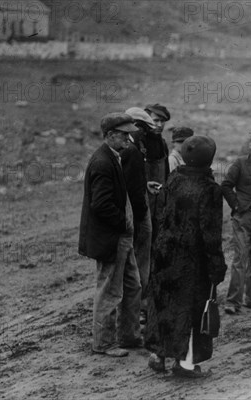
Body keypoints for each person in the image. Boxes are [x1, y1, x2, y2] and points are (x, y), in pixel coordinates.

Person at [144, 135, 227, 377]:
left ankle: (158, 354)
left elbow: (163, 213)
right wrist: (217, 266)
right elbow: (211, 234)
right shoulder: (210, 190)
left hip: (164, 253)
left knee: (163, 304)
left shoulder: (174, 178)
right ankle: (184, 364)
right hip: (193, 261)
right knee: (190, 311)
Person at [78, 112, 143, 357]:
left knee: (133, 286)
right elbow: (101, 204)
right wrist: (124, 223)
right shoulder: (103, 162)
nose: (128, 137)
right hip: (112, 238)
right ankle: (103, 343)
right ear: (109, 136)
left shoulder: (113, 156)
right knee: (109, 291)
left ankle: (129, 336)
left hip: (120, 237)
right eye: (124, 134)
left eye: (129, 133)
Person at [222, 130, 251, 314]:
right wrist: (236, 205)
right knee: (240, 258)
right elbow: (226, 185)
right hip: (243, 216)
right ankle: (232, 301)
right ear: (250, 147)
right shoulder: (241, 163)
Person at [123, 107, 156, 316]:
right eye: (142, 128)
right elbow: (127, 185)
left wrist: (145, 186)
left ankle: (139, 307)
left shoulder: (134, 149)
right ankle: (136, 310)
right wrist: (141, 213)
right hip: (136, 214)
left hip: (137, 211)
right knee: (137, 262)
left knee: (140, 262)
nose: (144, 133)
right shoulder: (130, 151)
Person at [143, 103, 171, 241]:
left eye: (162, 121)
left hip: (160, 201)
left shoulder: (163, 144)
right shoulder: (138, 143)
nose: (159, 124)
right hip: (143, 201)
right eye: (155, 120)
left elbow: (167, 174)